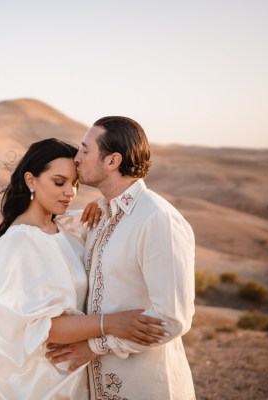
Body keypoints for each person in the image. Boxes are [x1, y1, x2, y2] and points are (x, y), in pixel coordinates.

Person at [0, 138, 167, 400]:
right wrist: (112, 323)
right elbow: (37, 328)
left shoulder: (63, 229)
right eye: (59, 182)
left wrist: (99, 204)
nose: (70, 192)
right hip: (45, 379)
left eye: (75, 184)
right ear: (31, 180)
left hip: (75, 372)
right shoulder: (19, 242)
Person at [46, 117, 196, 399]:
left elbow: (172, 318)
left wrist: (94, 346)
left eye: (85, 150)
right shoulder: (101, 215)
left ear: (112, 160)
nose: (76, 158)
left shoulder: (157, 219)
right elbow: (53, 224)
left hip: (146, 386)